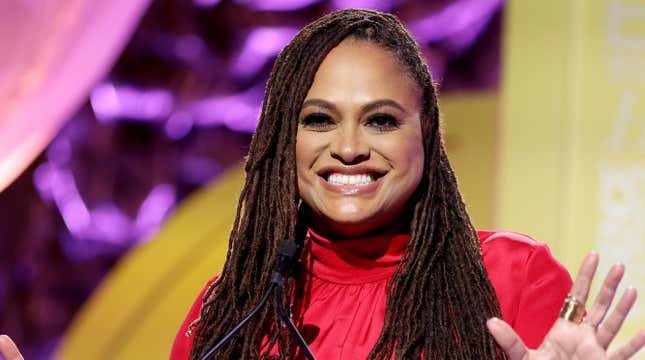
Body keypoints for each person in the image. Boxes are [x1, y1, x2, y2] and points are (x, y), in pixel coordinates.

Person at [1, 8, 643, 360]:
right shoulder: (227, 314)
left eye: (382, 120)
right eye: (319, 120)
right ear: (287, 143)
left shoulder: (511, 277)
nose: (349, 148)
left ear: (427, 138)